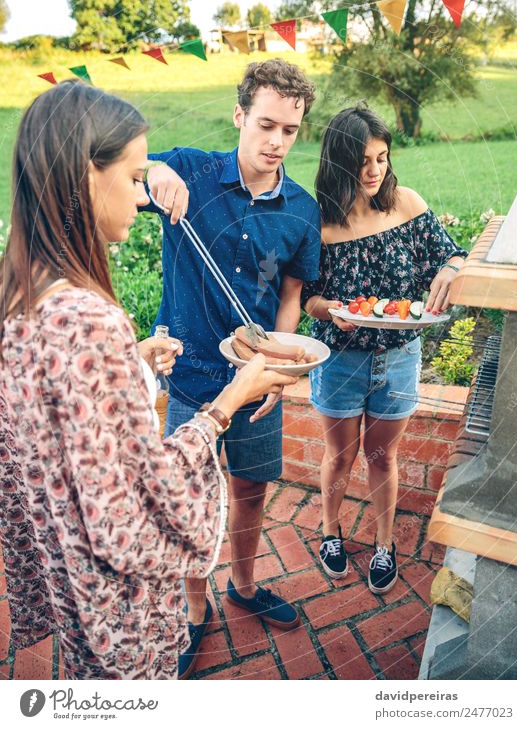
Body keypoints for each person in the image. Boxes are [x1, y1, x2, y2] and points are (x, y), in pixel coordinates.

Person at [0, 80, 296, 679]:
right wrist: (233, 397)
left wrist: (129, 362)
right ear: (88, 175)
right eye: (135, 177)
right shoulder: (88, 320)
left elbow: (58, 427)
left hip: (74, 587)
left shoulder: (23, 289)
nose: (141, 199)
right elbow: (134, 512)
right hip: (124, 610)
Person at [143, 59, 321, 676]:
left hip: (258, 384)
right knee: (186, 502)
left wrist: (280, 364)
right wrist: (152, 167)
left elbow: (292, 297)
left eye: (290, 130)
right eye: (265, 125)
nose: (276, 142)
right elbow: (113, 168)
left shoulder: (301, 207)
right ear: (240, 116)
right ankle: (196, 611)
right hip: (190, 375)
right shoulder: (189, 169)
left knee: (250, 492)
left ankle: (243, 586)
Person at [302, 105, 467, 594]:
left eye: (382, 157)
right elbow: (307, 297)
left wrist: (451, 269)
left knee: (381, 456)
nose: (375, 170)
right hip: (339, 362)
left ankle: (384, 543)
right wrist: (329, 308)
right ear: (338, 162)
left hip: (399, 359)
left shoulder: (407, 205)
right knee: (339, 455)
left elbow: (451, 253)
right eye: (363, 160)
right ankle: (330, 532)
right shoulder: (320, 224)